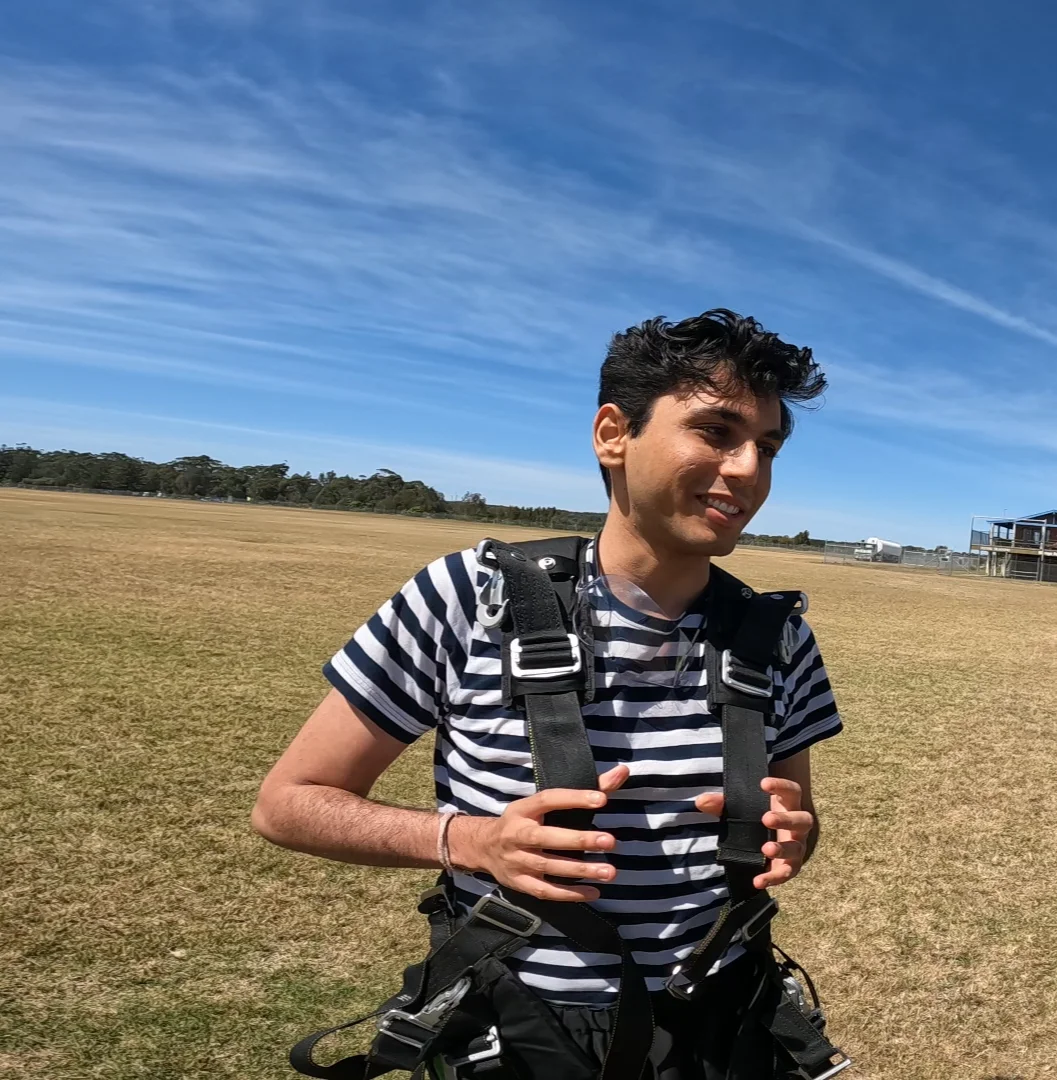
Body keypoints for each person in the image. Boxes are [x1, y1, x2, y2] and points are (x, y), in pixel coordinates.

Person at [252, 308, 842, 1079]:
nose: (746, 470)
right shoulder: (471, 596)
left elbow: (794, 825)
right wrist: (471, 842)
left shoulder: (776, 636)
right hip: (523, 1027)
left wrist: (790, 839)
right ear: (612, 434)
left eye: (765, 447)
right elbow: (288, 802)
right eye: (715, 431)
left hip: (721, 1024)